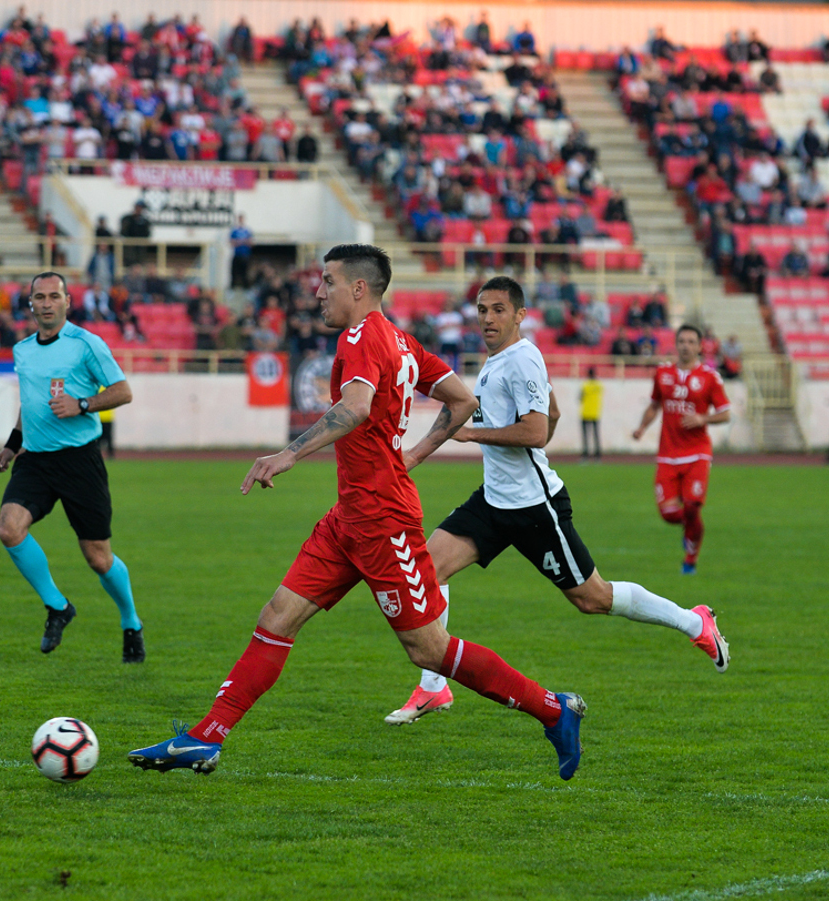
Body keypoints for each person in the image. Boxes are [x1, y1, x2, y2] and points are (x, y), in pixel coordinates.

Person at [128, 248, 591, 781]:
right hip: (350, 516)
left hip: (384, 523)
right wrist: (411, 456)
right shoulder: (400, 339)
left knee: (429, 649)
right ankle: (205, 738)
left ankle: (554, 710)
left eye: (327, 281)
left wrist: (289, 454)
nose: (318, 292)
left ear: (358, 289)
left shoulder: (361, 338)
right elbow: (460, 401)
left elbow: (356, 407)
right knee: (276, 618)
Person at [385, 277, 728, 726]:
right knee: (429, 568)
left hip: (534, 508)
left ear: (520, 315)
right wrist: (412, 457)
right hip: (494, 501)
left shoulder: (522, 359)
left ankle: (694, 621)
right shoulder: (497, 362)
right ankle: (434, 688)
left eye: (498, 310)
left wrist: (474, 433)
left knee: (593, 598)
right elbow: (553, 413)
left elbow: (536, 430)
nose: (488, 318)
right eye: (482, 309)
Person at [0, 272, 144, 662]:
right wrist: (12, 446)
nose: (46, 303)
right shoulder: (22, 349)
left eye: (53, 296)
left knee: (98, 558)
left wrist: (83, 404)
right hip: (36, 460)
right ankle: (58, 606)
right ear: (30, 304)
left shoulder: (86, 344)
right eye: (39, 297)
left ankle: (131, 622)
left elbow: (123, 391)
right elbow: (32, 402)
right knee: (9, 528)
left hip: (80, 461)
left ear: (67, 301)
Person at [632, 325, 731, 574]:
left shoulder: (710, 377)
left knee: (691, 506)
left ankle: (691, 557)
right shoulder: (663, 372)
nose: (686, 345)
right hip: (667, 454)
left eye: (691, 341)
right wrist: (642, 427)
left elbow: (725, 413)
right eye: (682, 341)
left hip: (697, 452)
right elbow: (655, 405)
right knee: (668, 514)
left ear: (699, 347)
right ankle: (690, 530)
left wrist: (702, 419)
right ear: (677, 344)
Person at [579, 366, 603, 460]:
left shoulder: (585, 385)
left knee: (585, 436)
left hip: (585, 412)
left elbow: (580, 397)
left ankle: (585, 454)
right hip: (595, 412)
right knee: (596, 435)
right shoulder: (599, 385)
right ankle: (598, 455)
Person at [230, 213, 253, 290]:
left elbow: (251, 243)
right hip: (237, 255)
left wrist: (239, 242)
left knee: (245, 273)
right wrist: (243, 242)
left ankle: (246, 289)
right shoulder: (234, 231)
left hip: (245, 255)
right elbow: (232, 243)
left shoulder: (247, 231)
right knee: (234, 272)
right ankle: (232, 289)